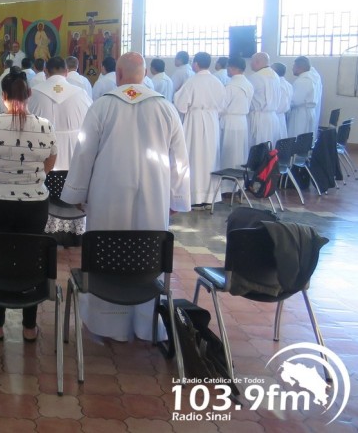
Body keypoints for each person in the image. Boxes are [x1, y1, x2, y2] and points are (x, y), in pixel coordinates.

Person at [61, 52, 190, 342]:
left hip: (107, 195)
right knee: (147, 253)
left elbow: (83, 153)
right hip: (154, 195)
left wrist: (78, 193)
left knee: (107, 251)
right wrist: (176, 199)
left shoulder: (102, 106)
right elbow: (179, 159)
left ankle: (105, 324)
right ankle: (145, 324)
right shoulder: (166, 108)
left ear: (117, 75)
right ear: (144, 75)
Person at [0, 70, 57, 341]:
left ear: (3, 96)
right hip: (33, 202)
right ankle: (30, 327)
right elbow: (50, 163)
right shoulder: (45, 126)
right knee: (31, 256)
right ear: (29, 94)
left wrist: (3, 174)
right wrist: (30, 178)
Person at [173, 52, 225, 207]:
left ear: (196, 64)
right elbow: (222, 105)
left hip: (194, 121)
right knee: (209, 157)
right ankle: (210, 197)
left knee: (194, 156)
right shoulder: (217, 81)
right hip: (212, 121)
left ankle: (194, 196)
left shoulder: (192, 81)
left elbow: (181, 105)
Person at [29, 57, 91, 171]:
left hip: (42, 158)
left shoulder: (33, 93)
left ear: (46, 71)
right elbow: (90, 124)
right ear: (67, 72)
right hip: (73, 157)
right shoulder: (81, 94)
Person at [220, 56, 253, 189]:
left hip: (229, 122)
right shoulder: (248, 84)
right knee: (240, 154)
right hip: (242, 121)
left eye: (228, 67)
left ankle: (227, 187)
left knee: (228, 153)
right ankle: (240, 186)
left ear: (233, 68)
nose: (227, 69)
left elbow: (222, 106)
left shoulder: (231, 85)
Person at [248, 52, 282, 148]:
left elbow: (248, 97)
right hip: (272, 117)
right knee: (269, 147)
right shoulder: (275, 76)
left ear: (257, 62)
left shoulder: (256, 77)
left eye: (252, 61)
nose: (250, 64)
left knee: (257, 147)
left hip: (259, 118)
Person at [289, 56, 317, 138]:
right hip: (307, 111)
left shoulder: (303, 80)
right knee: (305, 138)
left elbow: (295, 101)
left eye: (293, 66)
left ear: (299, 68)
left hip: (301, 114)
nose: (292, 69)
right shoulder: (311, 78)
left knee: (298, 136)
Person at [271, 63, 292, 141]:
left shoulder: (276, 84)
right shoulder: (288, 85)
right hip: (282, 116)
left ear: (274, 71)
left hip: (275, 115)